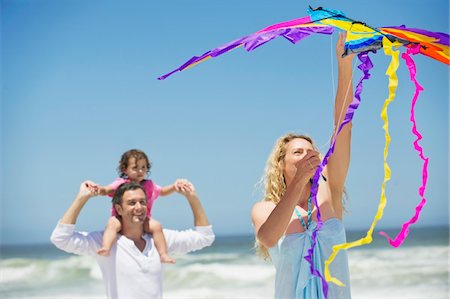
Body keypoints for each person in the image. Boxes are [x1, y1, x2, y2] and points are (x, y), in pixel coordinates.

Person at [251, 32, 354, 299]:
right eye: (298, 152)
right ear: (281, 164)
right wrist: (297, 184)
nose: (307, 155)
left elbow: (343, 126)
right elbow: (269, 237)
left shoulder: (329, 191)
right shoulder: (264, 209)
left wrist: (345, 65)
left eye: (311, 151)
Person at [51, 180, 214, 299]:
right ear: (119, 209)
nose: (139, 207)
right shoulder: (105, 242)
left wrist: (193, 198)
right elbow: (61, 238)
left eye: (142, 202)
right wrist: (82, 198)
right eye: (132, 203)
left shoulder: (160, 239)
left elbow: (205, 237)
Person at [93, 149, 188, 263]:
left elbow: (162, 191)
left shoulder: (149, 185)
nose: (140, 171)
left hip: (142, 220)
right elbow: (107, 190)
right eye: (135, 168)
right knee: (112, 224)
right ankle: (106, 247)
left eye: (143, 167)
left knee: (157, 226)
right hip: (121, 218)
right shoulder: (121, 183)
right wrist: (98, 189)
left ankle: (163, 254)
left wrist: (174, 187)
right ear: (124, 169)